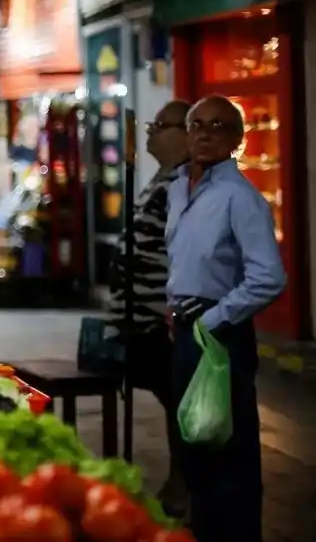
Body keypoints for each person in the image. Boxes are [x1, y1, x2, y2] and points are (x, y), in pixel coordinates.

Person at [165, 95, 285, 542]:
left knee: (229, 455)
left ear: (236, 139)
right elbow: (186, 258)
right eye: (197, 124)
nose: (205, 133)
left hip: (220, 337)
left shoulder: (240, 197)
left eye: (218, 125)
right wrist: (173, 305)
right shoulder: (181, 187)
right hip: (184, 330)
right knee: (195, 447)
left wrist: (214, 318)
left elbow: (269, 278)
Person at [108, 99, 191, 514]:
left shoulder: (187, 182)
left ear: (185, 133)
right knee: (169, 400)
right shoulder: (163, 177)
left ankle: (185, 487)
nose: (150, 131)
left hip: (163, 319)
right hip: (140, 317)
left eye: (160, 125)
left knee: (180, 403)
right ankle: (180, 483)